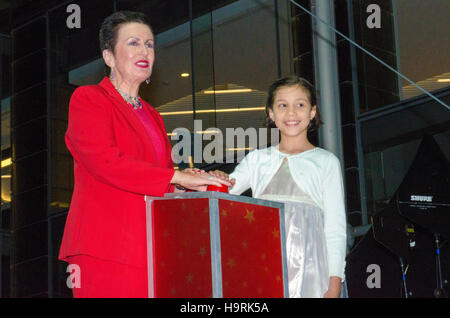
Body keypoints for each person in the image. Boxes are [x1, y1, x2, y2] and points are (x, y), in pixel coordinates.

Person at [58, 11, 230, 298]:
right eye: (134, 43)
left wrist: (191, 183)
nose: (144, 51)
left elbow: (158, 181)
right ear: (109, 56)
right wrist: (176, 175)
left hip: (150, 245)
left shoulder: (153, 116)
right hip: (105, 245)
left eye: (149, 45)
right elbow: (106, 162)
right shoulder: (89, 99)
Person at [222, 75, 347, 298]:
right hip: (263, 267)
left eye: (300, 105)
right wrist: (209, 179)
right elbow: (224, 191)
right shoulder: (257, 160)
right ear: (271, 113)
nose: (291, 113)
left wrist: (334, 283)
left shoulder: (326, 162)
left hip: (312, 273)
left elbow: (335, 229)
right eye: (282, 105)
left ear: (312, 112)